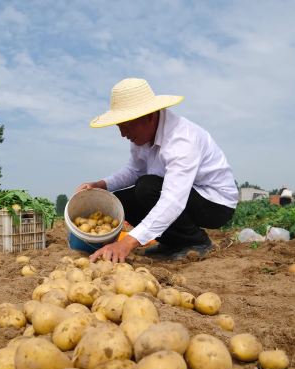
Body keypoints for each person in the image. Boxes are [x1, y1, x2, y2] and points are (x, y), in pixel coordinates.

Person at [76, 78, 238, 263]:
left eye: (127, 126)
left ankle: (197, 243)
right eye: (119, 127)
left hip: (215, 203)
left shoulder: (182, 139)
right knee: (122, 200)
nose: (123, 134)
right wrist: (101, 184)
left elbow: (173, 200)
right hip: (183, 195)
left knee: (147, 187)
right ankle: (172, 243)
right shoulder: (141, 139)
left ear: (150, 116)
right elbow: (134, 170)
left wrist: (127, 243)